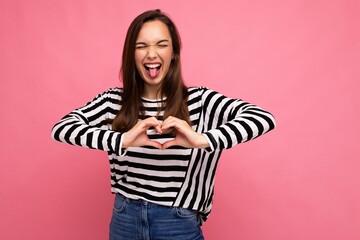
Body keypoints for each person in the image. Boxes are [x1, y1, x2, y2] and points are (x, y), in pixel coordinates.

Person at [51, 9, 276, 240]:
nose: (151, 53)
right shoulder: (113, 101)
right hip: (124, 219)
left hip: (177, 222)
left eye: (161, 44)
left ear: (173, 52)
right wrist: (122, 139)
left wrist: (202, 139)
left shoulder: (199, 100)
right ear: (132, 54)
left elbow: (262, 118)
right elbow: (61, 128)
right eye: (141, 46)